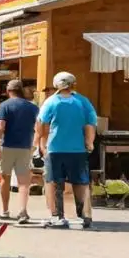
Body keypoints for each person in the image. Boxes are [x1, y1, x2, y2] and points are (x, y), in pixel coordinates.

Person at [37, 71, 97, 230]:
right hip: (77, 150)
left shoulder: (51, 102)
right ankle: (85, 215)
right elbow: (90, 124)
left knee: (53, 182)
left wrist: (41, 145)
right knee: (81, 182)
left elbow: (42, 124)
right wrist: (89, 143)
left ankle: (57, 215)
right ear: (73, 84)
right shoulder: (83, 102)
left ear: (56, 85)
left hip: (55, 148)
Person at [0, 79, 39, 223]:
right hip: (25, 146)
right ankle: (23, 211)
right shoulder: (32, 107)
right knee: (24, 181)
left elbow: (0, 126)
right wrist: (35, 144)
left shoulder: (4, 106)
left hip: (7, 146)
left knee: (5, 178)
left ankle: (5, 210)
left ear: (8, 91)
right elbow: (39, 127)